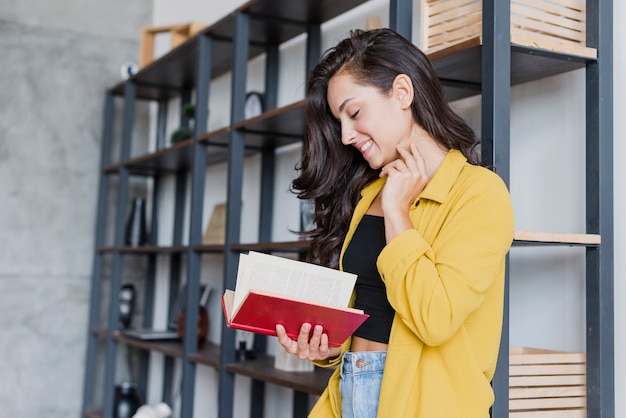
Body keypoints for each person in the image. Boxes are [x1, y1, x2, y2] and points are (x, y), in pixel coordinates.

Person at [275, 28, 514, 418]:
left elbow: (435, 318)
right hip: (352, 390)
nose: (347, 135)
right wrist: (330, 347)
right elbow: (364, 309)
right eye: (340, 122)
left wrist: (399, 213)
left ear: (402, 92)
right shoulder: (371, 193)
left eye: (354, 113)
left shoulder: (479, 193)